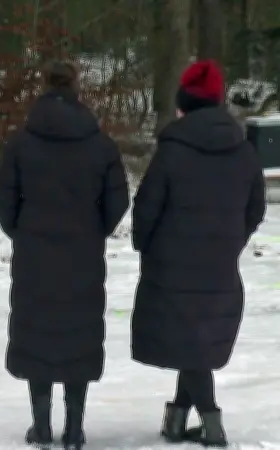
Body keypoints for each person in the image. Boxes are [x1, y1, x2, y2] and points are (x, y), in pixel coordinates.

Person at [0, 60, 130, 450]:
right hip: (82, 253)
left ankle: (42, 427)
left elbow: (3, 197)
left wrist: (21, 230)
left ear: (43, 87)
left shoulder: (22, 142)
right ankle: (73, 429)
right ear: (77, 88)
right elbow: (119, 199)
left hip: (35, 254)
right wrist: (95, 229)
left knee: (38, 334)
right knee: (77, 337)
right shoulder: (100, 144)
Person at [130, 60, 266, 447]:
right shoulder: (243, 151)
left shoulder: (172, 151)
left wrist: (148, 247)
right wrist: (231, 242)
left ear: (184, 104)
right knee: (195, 341)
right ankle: (176, 419)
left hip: (172, 266)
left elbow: (146, 207)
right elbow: (256, 207)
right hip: (221, 265)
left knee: (188, 341)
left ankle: (212, 425)